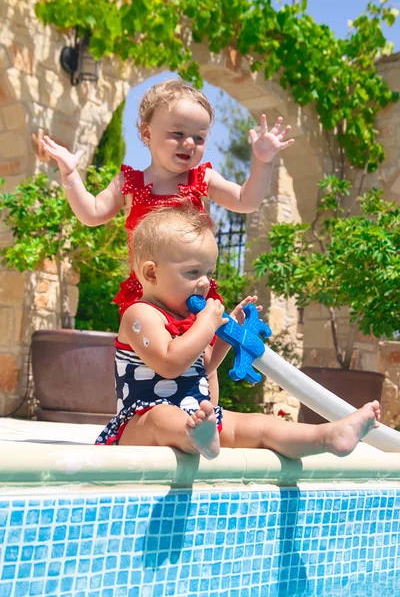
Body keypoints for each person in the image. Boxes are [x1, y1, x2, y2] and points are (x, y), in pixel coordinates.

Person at [94, 202, 380, 460]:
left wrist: (224, 334)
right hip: (140, 425)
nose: (205, 282)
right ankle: (196, 436)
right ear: (152, 273)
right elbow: (170, 363)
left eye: (209, 272)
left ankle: (327, 437)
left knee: (258, 424)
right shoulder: (140, 315)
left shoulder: (191, 321)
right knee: (163, 417)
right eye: (193, 272)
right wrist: (206, 325)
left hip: (196, 418)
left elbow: (203, 366)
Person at [40, 78, 295, 316]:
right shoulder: (128, 183)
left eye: (199, 137)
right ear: (147, 133)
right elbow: (91, 214)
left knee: (201, 362)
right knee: (150, 359)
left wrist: (262, 162)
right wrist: (71, 175)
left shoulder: (202, 179)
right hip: (147, 296)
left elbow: (245, 200)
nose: (189, 143)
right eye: (178, 133)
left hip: (195, 294)